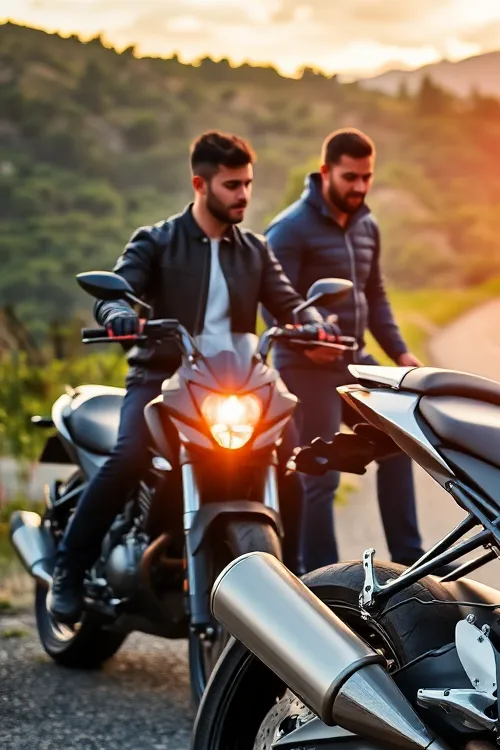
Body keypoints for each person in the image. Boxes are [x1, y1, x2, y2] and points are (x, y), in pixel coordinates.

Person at [48, 132, 338, 623]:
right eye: (232, 185)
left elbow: (288, 303)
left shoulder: (256, 251)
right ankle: (68, 572)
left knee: (289, 460)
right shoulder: (157, 241)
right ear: (199, 184)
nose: (243, 195)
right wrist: (117, 310)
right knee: (128, 456)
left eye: (247, 184)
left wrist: (317, 323)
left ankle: (298, 581)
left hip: (238, 383)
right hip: (164, 377)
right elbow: (119, 289)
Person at [266, 128, 425, 573]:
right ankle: (320, 578)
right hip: (304, 367)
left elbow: (375, 296)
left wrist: (400, 353)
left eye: (366, 177)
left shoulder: (366, 225)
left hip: (353, 360)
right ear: (325, 173)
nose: (358, 187)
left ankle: (411, 565)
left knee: (399, 440)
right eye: (349, 177)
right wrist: (304, 341)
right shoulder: (290, 228)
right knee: (321, 469)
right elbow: (271, 301)